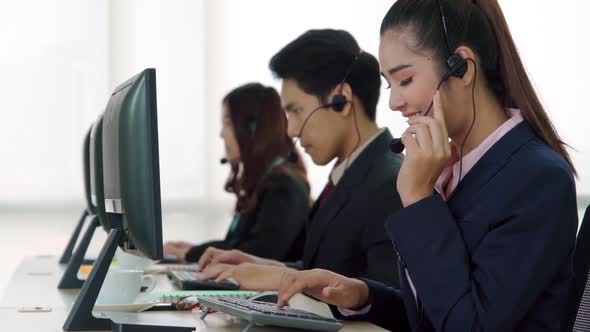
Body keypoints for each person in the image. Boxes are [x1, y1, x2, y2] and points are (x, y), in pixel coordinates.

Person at [254, 1, 578, 331]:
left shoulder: (537, 179)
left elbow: (469, 325)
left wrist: (420, 199)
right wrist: (364, 296)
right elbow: (433, 312)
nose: (394, 102)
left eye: (405, 80)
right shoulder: (451, 169)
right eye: (389, 84)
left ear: (462, 68)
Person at [196, 29, 404, 287]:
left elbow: (385, 302)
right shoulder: (346, 175)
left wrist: (284, 278)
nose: (291, 130)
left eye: (296, 111)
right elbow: (321, 271)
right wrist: (258, 265)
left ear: (342, 99)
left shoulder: (393, 184)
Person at [164, 83, 310, 263]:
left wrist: (193, 254)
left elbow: (260, 253)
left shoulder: (284, 185)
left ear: (253, 128)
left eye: (227, 122)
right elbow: (240, 244)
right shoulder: (266, 181)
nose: (221, 134)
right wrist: (195, 250)